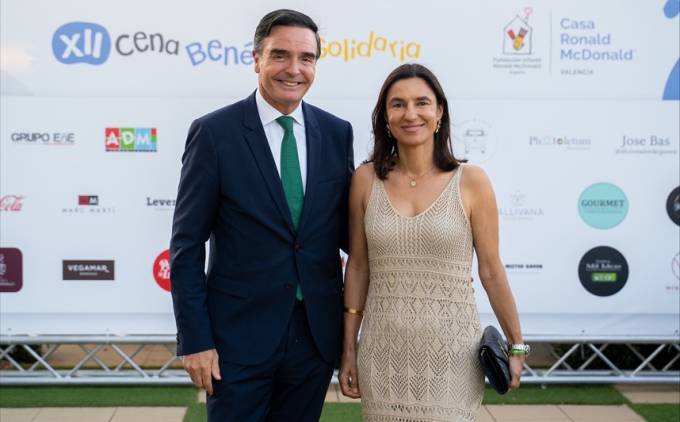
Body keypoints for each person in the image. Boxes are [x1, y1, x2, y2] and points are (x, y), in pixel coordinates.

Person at [170, 9, 354, 421]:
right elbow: (186, 245)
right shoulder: (214, 133)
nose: (294, 69)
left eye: (306, 58)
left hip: (313, 337)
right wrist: (195, 339)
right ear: (256, 59)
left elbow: (345, 234)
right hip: (237, 339)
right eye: (280, 55)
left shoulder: (336, 133)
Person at [338, 63, 527, 421]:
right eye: (398, 104)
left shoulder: (472, 181)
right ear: (385, 117)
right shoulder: (365, 179)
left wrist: (516, 344)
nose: (410, 114)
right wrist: (349, 349)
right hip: (381, 353)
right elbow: (358, 267)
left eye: (422, 102)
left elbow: (491, 270)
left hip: (453, 355)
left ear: (439, 112)